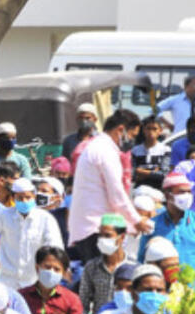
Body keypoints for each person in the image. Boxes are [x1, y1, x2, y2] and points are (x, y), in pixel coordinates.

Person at [69, 109, 153, 261]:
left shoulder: (96, 147)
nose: (131, 141)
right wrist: (137, 221)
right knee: (102, 279)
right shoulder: (105, 151)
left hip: (92, 226)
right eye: (132, 135)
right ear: (121, 130)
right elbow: (117, 194)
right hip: (97, 229)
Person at [0, 178, 63, 290]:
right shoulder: (3, 216)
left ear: (34, 197)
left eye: (28, 197)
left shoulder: (46, 219)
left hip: (34, 281)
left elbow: (55, 248)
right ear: (14, 198)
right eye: (20, 198)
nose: (24, 201)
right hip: (6, 280)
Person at [79, 214, 133, 314]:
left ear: (121, 237)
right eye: (100, 235)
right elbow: (83, 303)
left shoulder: (133, 268)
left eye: (107, 236)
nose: (102, 239)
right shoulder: (92, 267)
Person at [138, 172, 194, 267]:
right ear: (168, 195)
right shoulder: (152, 225)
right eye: (182, 192)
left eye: (189, 192)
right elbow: (141, 259)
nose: (187, 196)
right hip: (162, 280)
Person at [131, 115, 170, 189]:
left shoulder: (165, 150)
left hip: (159, 189)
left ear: (160, 131)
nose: (151, 132)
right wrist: (154, 172)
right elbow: (132, 174)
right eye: (148, 128)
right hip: (139, 189)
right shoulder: (135, 150)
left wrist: (142, 172)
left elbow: (164, 174)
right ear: (143, 130)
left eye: (154, 129)